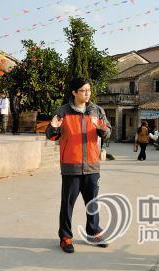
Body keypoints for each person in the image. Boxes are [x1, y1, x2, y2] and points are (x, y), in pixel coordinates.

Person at [45, 77, 111, 254]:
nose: (87, 93)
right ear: (74, 92)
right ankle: (65, 237)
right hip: (71, 167)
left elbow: (107, 134)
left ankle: (94, 232)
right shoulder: (63, 111)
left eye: (89, 90)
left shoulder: (96, 111)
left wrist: (103, 129)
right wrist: (53, 128)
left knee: (93, 203)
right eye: (83, 90)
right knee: (67, 204)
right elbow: (51, 136)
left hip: (92, 166)